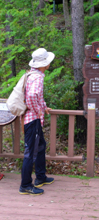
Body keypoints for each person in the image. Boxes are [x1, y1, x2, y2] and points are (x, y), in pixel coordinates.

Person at [19, 48, 55, 195]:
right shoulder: (38, 77)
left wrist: (44, 107)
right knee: (30, 153)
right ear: (44, 64)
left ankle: (40, 177)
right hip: (32, 120)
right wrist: (37, 111)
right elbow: (33, 96)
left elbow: (38, 97)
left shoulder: (32, 74)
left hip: (33, 119)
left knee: (40, 146)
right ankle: (25, 185)